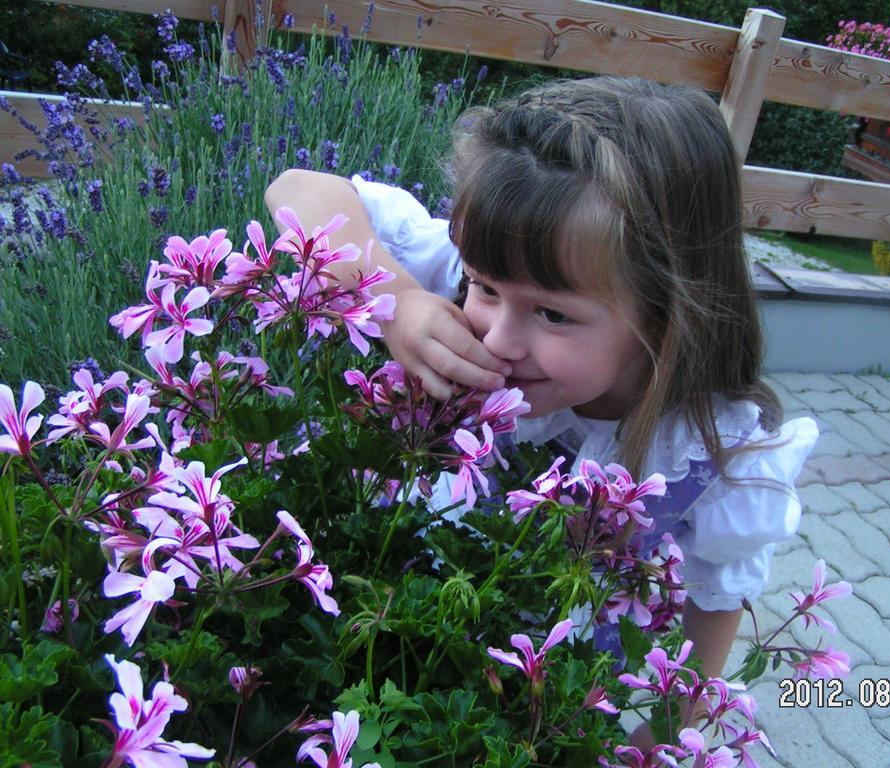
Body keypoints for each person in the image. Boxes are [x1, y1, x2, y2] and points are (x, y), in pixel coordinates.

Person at [265, 76, 817, 695]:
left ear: (668, 315)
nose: (498, 339)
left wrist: (666, 732)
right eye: (485, 288)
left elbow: (718, 595)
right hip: (379, 626)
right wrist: (392, 297)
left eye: (554, 315)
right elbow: (295, 189)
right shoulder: (477, 274)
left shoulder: (717, 451)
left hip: (538, 703)